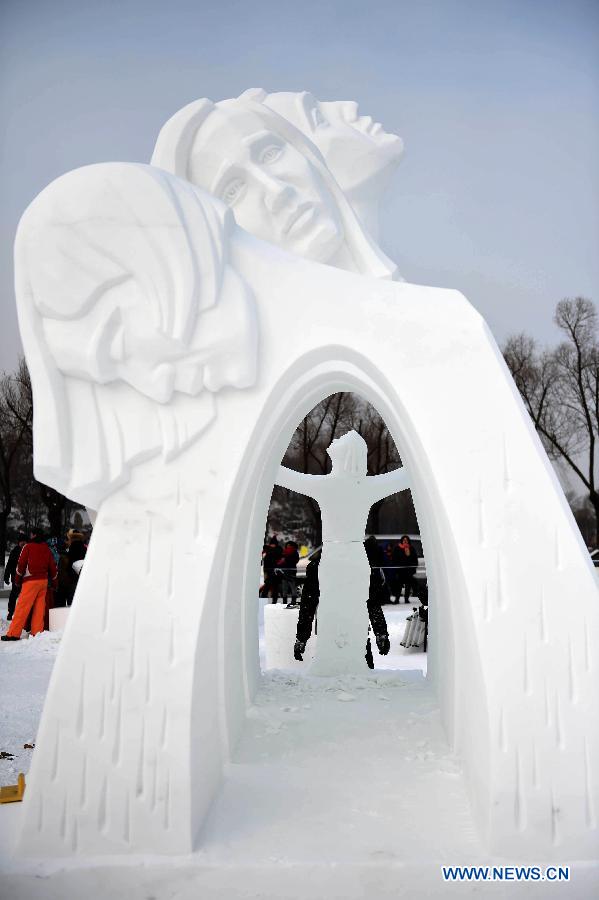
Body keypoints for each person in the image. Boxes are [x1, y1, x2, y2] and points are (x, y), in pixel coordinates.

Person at [1, 528, 57, 641]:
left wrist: (17, 580)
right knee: (39, 608)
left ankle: (13, 633)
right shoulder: (46, 549)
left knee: (22, 607)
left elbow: (20, 565)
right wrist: (55, 583)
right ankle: (37, 632)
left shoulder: (28, 547)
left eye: (31, 534)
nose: (30, 536)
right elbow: (53, 568)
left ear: (34, 535)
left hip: (30, 581)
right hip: (43, 582)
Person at [55, 529, 86, 608]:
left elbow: (69, 565)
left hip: (72, 580)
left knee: (70, 603)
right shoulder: (85, 548)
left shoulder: (71, 549)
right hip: (82, 579)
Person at [3, 532, 27, 621]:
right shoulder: (15, 551)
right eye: (21, 541)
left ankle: (23, 615)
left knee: (24, 597)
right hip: (15, 577)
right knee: (13, 595)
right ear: (18, 542)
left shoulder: (28, 550)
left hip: (26, 578)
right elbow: (9, 565)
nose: (22, 543)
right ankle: (10, 612)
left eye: (24, 541)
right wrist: (6, 576)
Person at [392, 535, 419, 603]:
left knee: (408, 586)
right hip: (400, 571)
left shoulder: (411, 548)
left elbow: (415, 559)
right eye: (404, 540)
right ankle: (397, 599)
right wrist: (397, 568)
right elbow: (394, 559)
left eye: (406, 540)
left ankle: (406, 599)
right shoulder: (397, 548)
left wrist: (413, 568)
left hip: (409, 571)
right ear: (401, 540)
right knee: (399, 586)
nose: (405, 541)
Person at [261, 537, 282, 603]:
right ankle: (264, 599)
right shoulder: (270, 550)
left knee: (273, 587)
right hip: (270, 571)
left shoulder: (274, 551)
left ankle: (272, 601)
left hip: (273, 571)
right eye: (271, 544)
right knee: (268, 586)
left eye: (273, 544)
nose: (272, 545)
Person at [279, 540, 300, 607]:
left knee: (291, 587)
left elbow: (294, 561)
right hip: (287, 572)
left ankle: (291, 601)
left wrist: (285, 560)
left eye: (289, 545)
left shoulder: (293, 552)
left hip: (289, 572)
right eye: (287, 545)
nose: (288, 546)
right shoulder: (286, 552)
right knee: (287, 588)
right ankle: (287, 602)